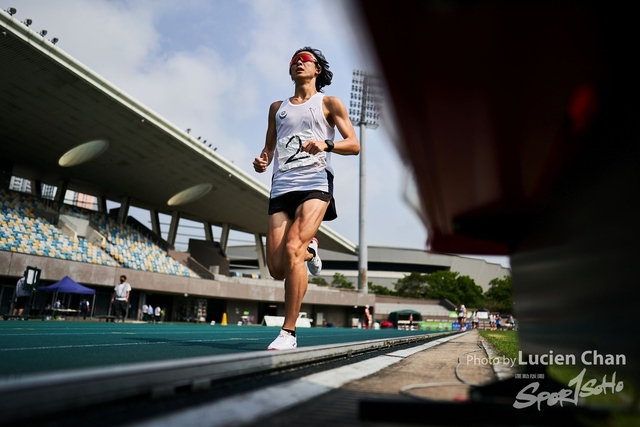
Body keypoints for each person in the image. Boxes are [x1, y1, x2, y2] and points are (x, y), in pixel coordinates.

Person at [253, 46, 359, 350]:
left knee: (292, 248)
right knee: (277, 268)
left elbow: (353, 144)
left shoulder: (328, 103)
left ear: (317, 70)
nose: (299, 63)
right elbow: (268, 150)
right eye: (294, 60)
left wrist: (326, 144)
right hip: (281, 188)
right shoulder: (277, 108)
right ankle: (311, 252)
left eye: (305, 60)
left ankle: (289, 333)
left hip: (314, 183)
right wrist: (261, 161)